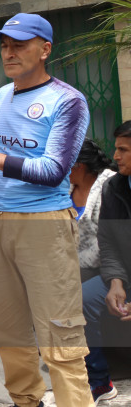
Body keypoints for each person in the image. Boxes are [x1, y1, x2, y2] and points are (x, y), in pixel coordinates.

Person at [0, 13, 94, 407]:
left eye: (19, 44)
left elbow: (52, 171)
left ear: (45, 49)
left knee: (60, 335)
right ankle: (26, 401)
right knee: (8, 331)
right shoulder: (2, 94)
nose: (9, 52)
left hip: (44, 225)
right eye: (4, 45)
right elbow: (6, 153)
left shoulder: (67, 101)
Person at [81, 120, 131, 404]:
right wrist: (115, 282)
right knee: (82, 299)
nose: (116, 157)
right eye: (116, 149)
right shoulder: (114, 186)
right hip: (124, 276)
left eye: (123, 150)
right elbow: (108, 242)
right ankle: (99, 383)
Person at [70, 139, 116, 282]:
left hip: (98, 264)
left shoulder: (110, 186)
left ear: (79, 165)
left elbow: (109, 238)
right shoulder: (66, 187)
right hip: (67, 260)